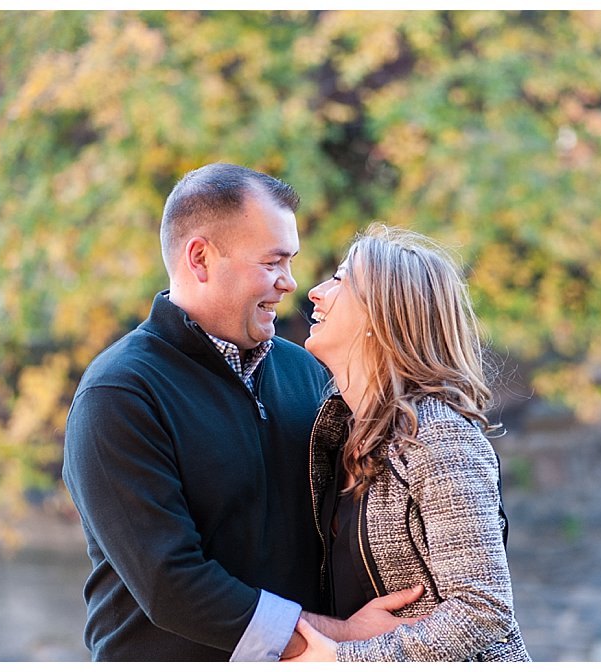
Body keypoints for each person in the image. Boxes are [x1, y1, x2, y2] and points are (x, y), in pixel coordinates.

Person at [62, 163, 419, 661]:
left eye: (291, 261)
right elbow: (172, 586)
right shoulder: (119, 395)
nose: (290, 283)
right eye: (273, 262)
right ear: (201, 258)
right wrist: (342, 635)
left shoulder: (308, 374)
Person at [288, 224, 532, 662]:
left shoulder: (437, 434)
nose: (316, 292)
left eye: (342, 280)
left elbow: (484, 608)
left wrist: (343, 661)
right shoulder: (336, 435)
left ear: (382, 315)